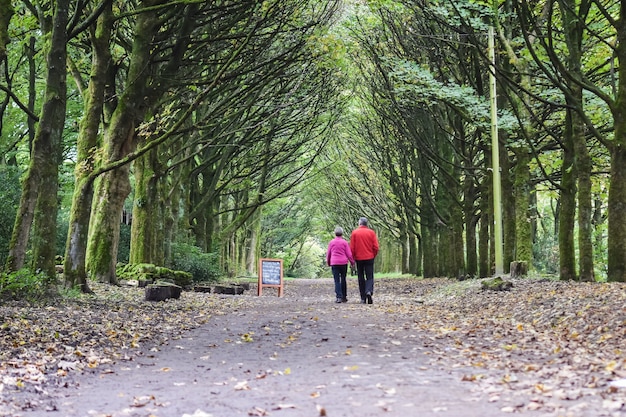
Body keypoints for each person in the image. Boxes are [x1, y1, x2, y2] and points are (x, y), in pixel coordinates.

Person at [350, 217, 379, 304]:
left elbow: (352, 248)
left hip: (359, 258)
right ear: (367, 224)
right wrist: (373, 255)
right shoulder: (371, 232)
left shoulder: (354, 233)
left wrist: (353, 259)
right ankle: (369, 291)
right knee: (370, 276)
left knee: (361, 277)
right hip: (369, 257)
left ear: (360, 224)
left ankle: (363, 297)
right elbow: (376, 247)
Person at [326, 226, 355, 303]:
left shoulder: (331, 242)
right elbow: (349, 254)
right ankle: (344, 297)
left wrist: (328, 262)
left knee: (337, 280)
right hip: (343, 263)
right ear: (342, 234)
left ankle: (338, 297)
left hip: (334, 263)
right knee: (343, 279)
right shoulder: (345, 242)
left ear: (335, 233)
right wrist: (352, 262)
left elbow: (328, 254)